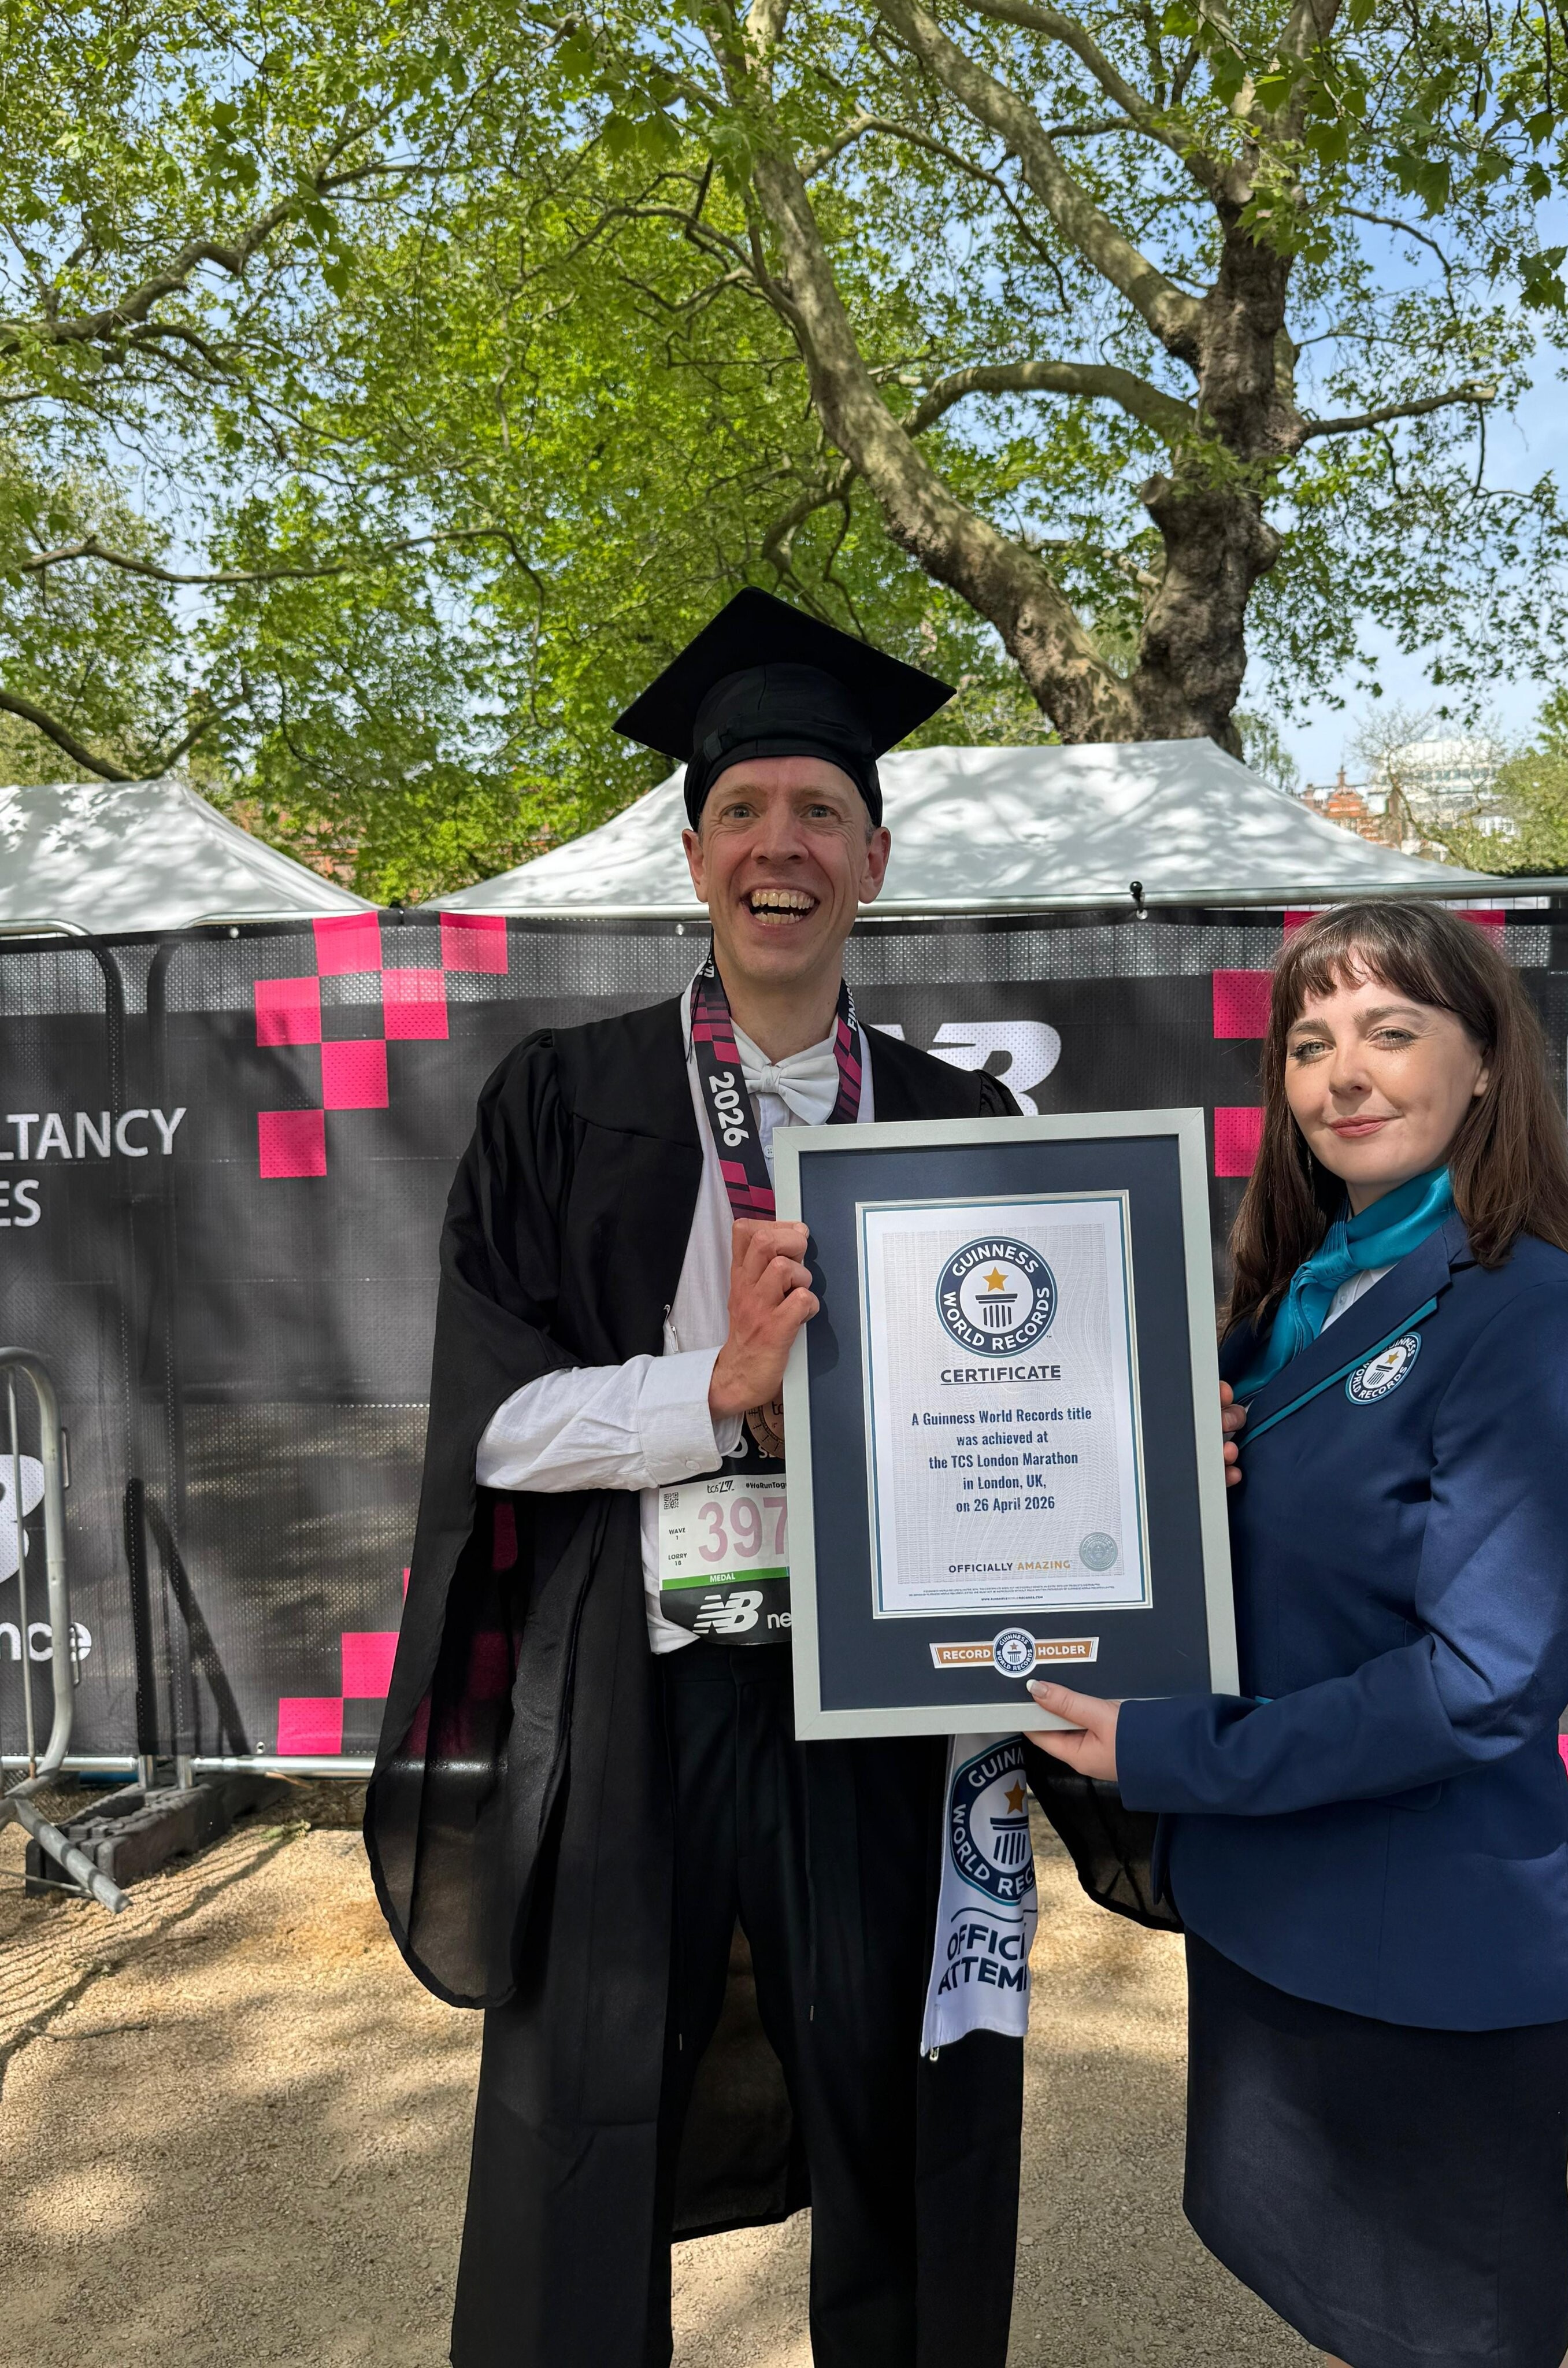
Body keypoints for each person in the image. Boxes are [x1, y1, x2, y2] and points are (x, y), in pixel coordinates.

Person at [364, 590, 1044, 2368]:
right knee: (586, 2119)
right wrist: (716, 1395)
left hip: (882, 1715)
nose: (779, 844)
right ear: (694, 859)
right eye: (743, 810)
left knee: (903, 2119)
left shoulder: (960, 1123)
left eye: (820, 810)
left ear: (874, 862)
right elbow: (496, 1427)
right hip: (639, 1696)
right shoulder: (560, 1101)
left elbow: (1033, 1426)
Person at [1027, 900, 1568, 2368]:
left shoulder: (1541, 1319)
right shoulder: (1292, 1302)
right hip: (1279, 1921)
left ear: (1487, 1061)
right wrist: (1167, 1474)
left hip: (1427, 1960)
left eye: (1391, 1030)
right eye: (1309, 1044)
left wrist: (1173, 1748)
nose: (1342, 1074)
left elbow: (1481, 1683)